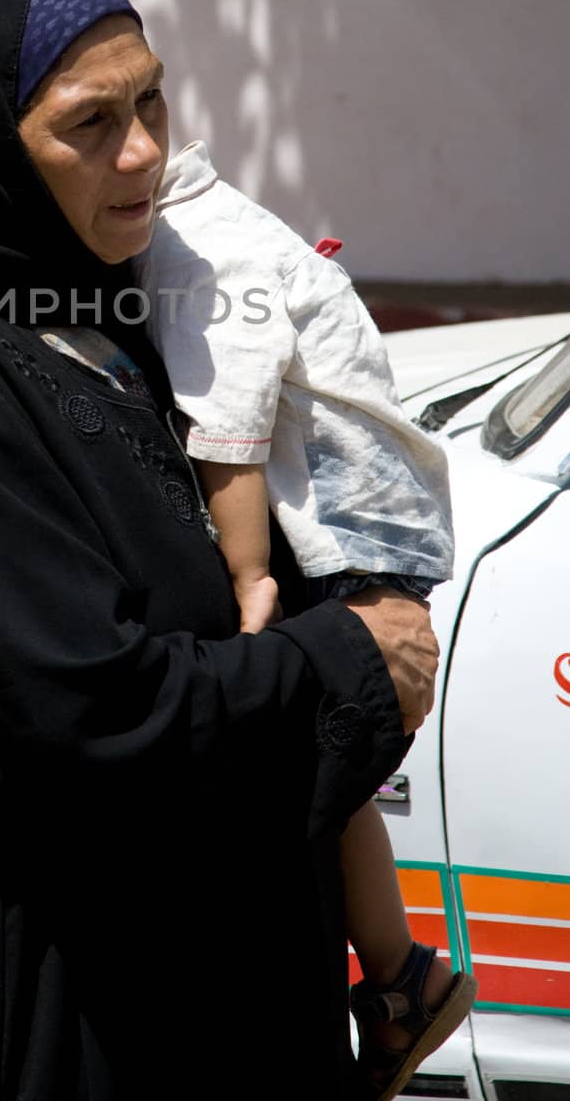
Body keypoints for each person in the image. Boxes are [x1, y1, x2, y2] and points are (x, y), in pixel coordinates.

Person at [0, 0, 440, 1099]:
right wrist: (342, 659)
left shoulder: (141, 329)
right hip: (76, 1040)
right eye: (86, 123)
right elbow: (89, 725)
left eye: (151, 100)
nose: (140, 153)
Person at [136, 138, 477, 1098]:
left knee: (300, 765)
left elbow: (231, 431)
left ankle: (397, 975)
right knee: (326, 780)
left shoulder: (199, 251)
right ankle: (402, 975)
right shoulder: (188, 229)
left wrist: (248, 580)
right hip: (356, 525)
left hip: (347, 536)